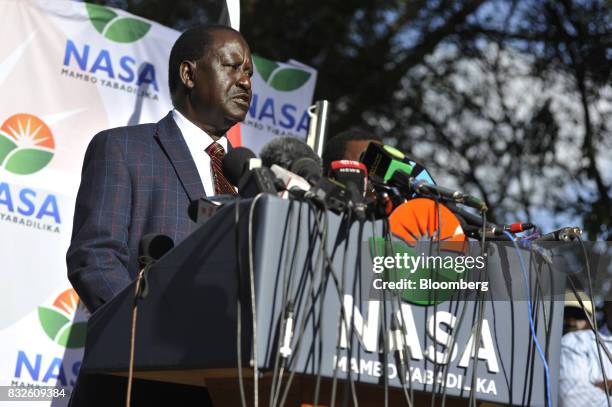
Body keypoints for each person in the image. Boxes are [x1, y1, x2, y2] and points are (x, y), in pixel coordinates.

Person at [66, 24, 253, 406]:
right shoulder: (123, 148)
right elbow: (95, 258)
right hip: (136, 383)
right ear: (189, 74)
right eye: (233, 66)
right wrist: (152, 337)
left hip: (221, 388)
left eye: (249, 73)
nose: (245, 82)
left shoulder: (248, 182)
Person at [559, 301, 612, 406]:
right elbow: (573, 398)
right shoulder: (575, 341)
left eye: (578, 315)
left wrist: (602, 386)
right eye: (566, 314)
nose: (571, 321)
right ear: (607, 305)